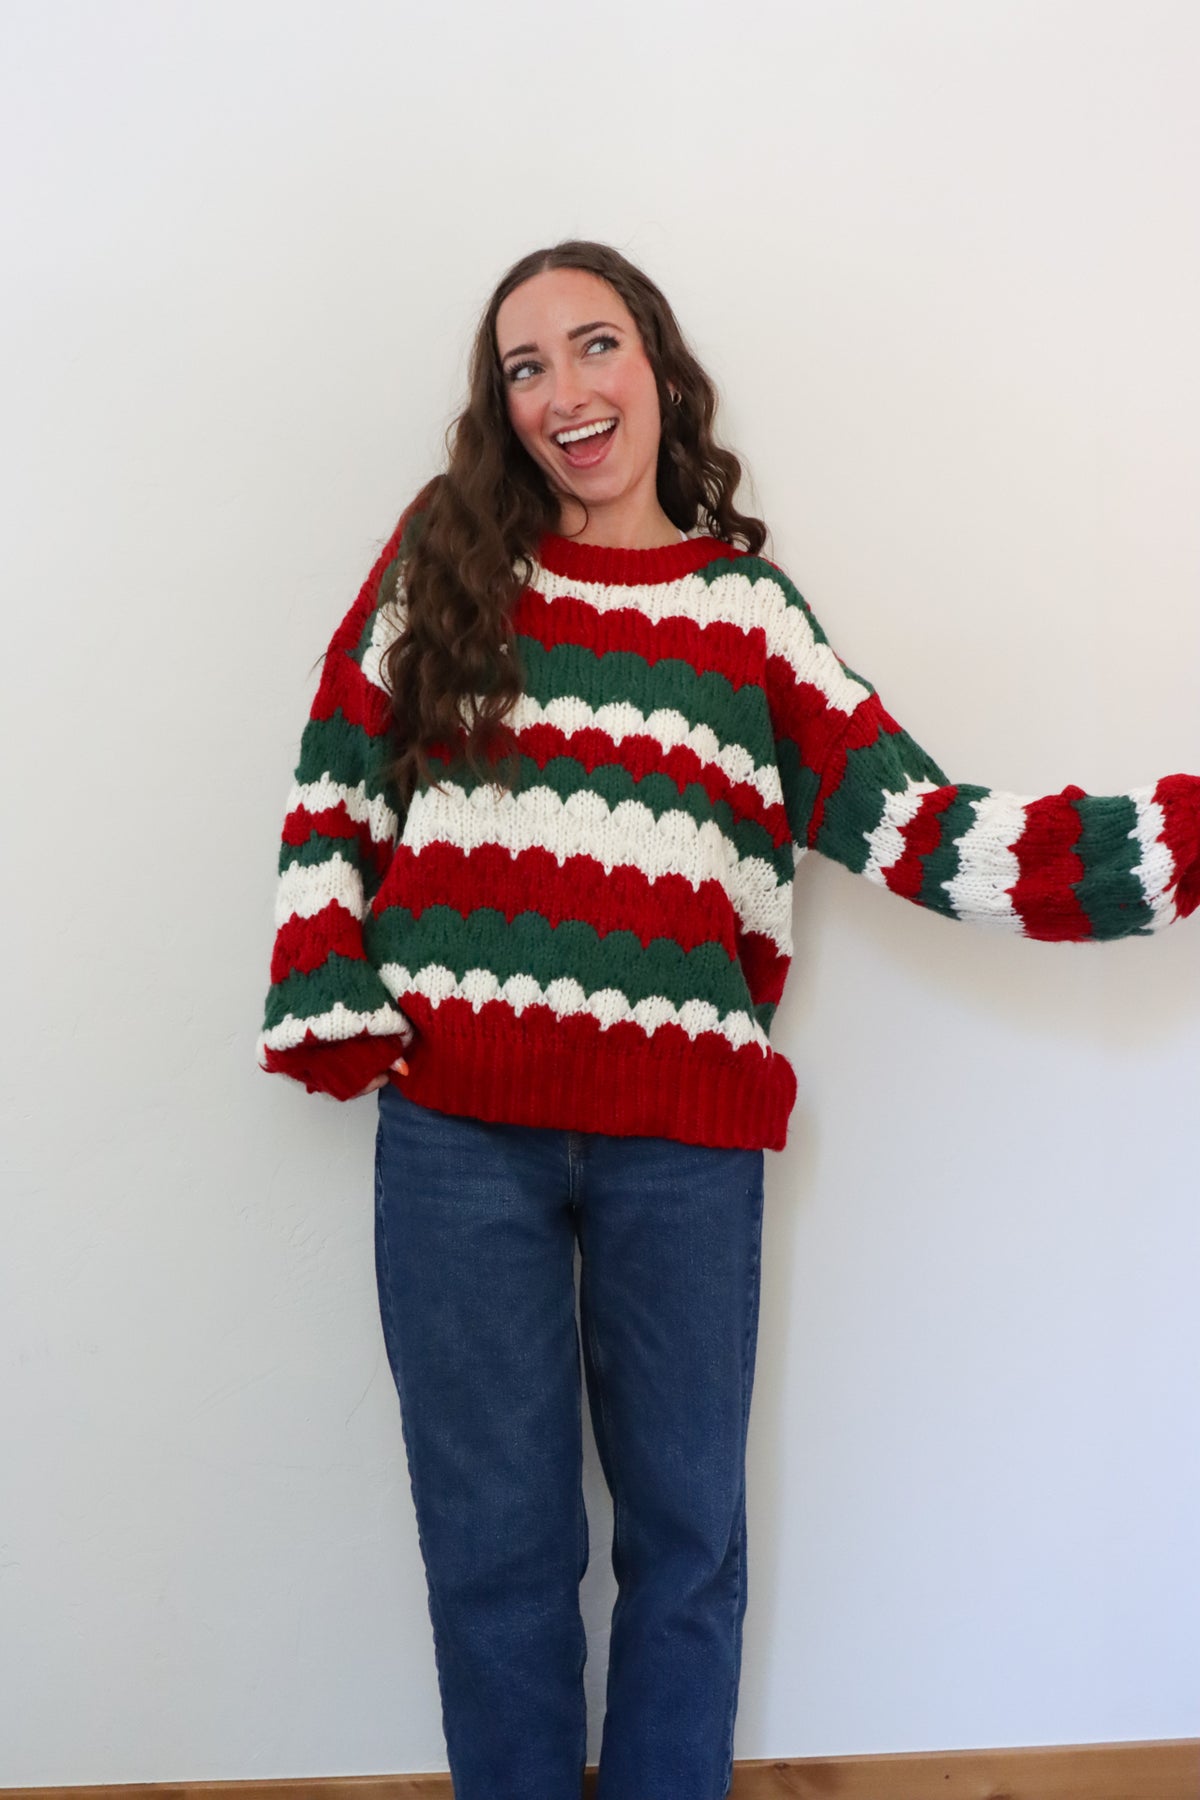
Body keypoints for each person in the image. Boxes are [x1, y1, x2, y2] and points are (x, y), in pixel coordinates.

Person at [258, 240, 1198, 1800]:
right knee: (495, 1556)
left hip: (682, 1152)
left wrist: (1174, 839)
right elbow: (337, 771)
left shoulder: (750, 619)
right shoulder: (448, 562)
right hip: (455, 1137)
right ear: (504, 414)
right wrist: (324, 983)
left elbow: (933, 831)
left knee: (688, 1553)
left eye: (595, 344)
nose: (565, 388)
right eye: (525, 366)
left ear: (662, 374)